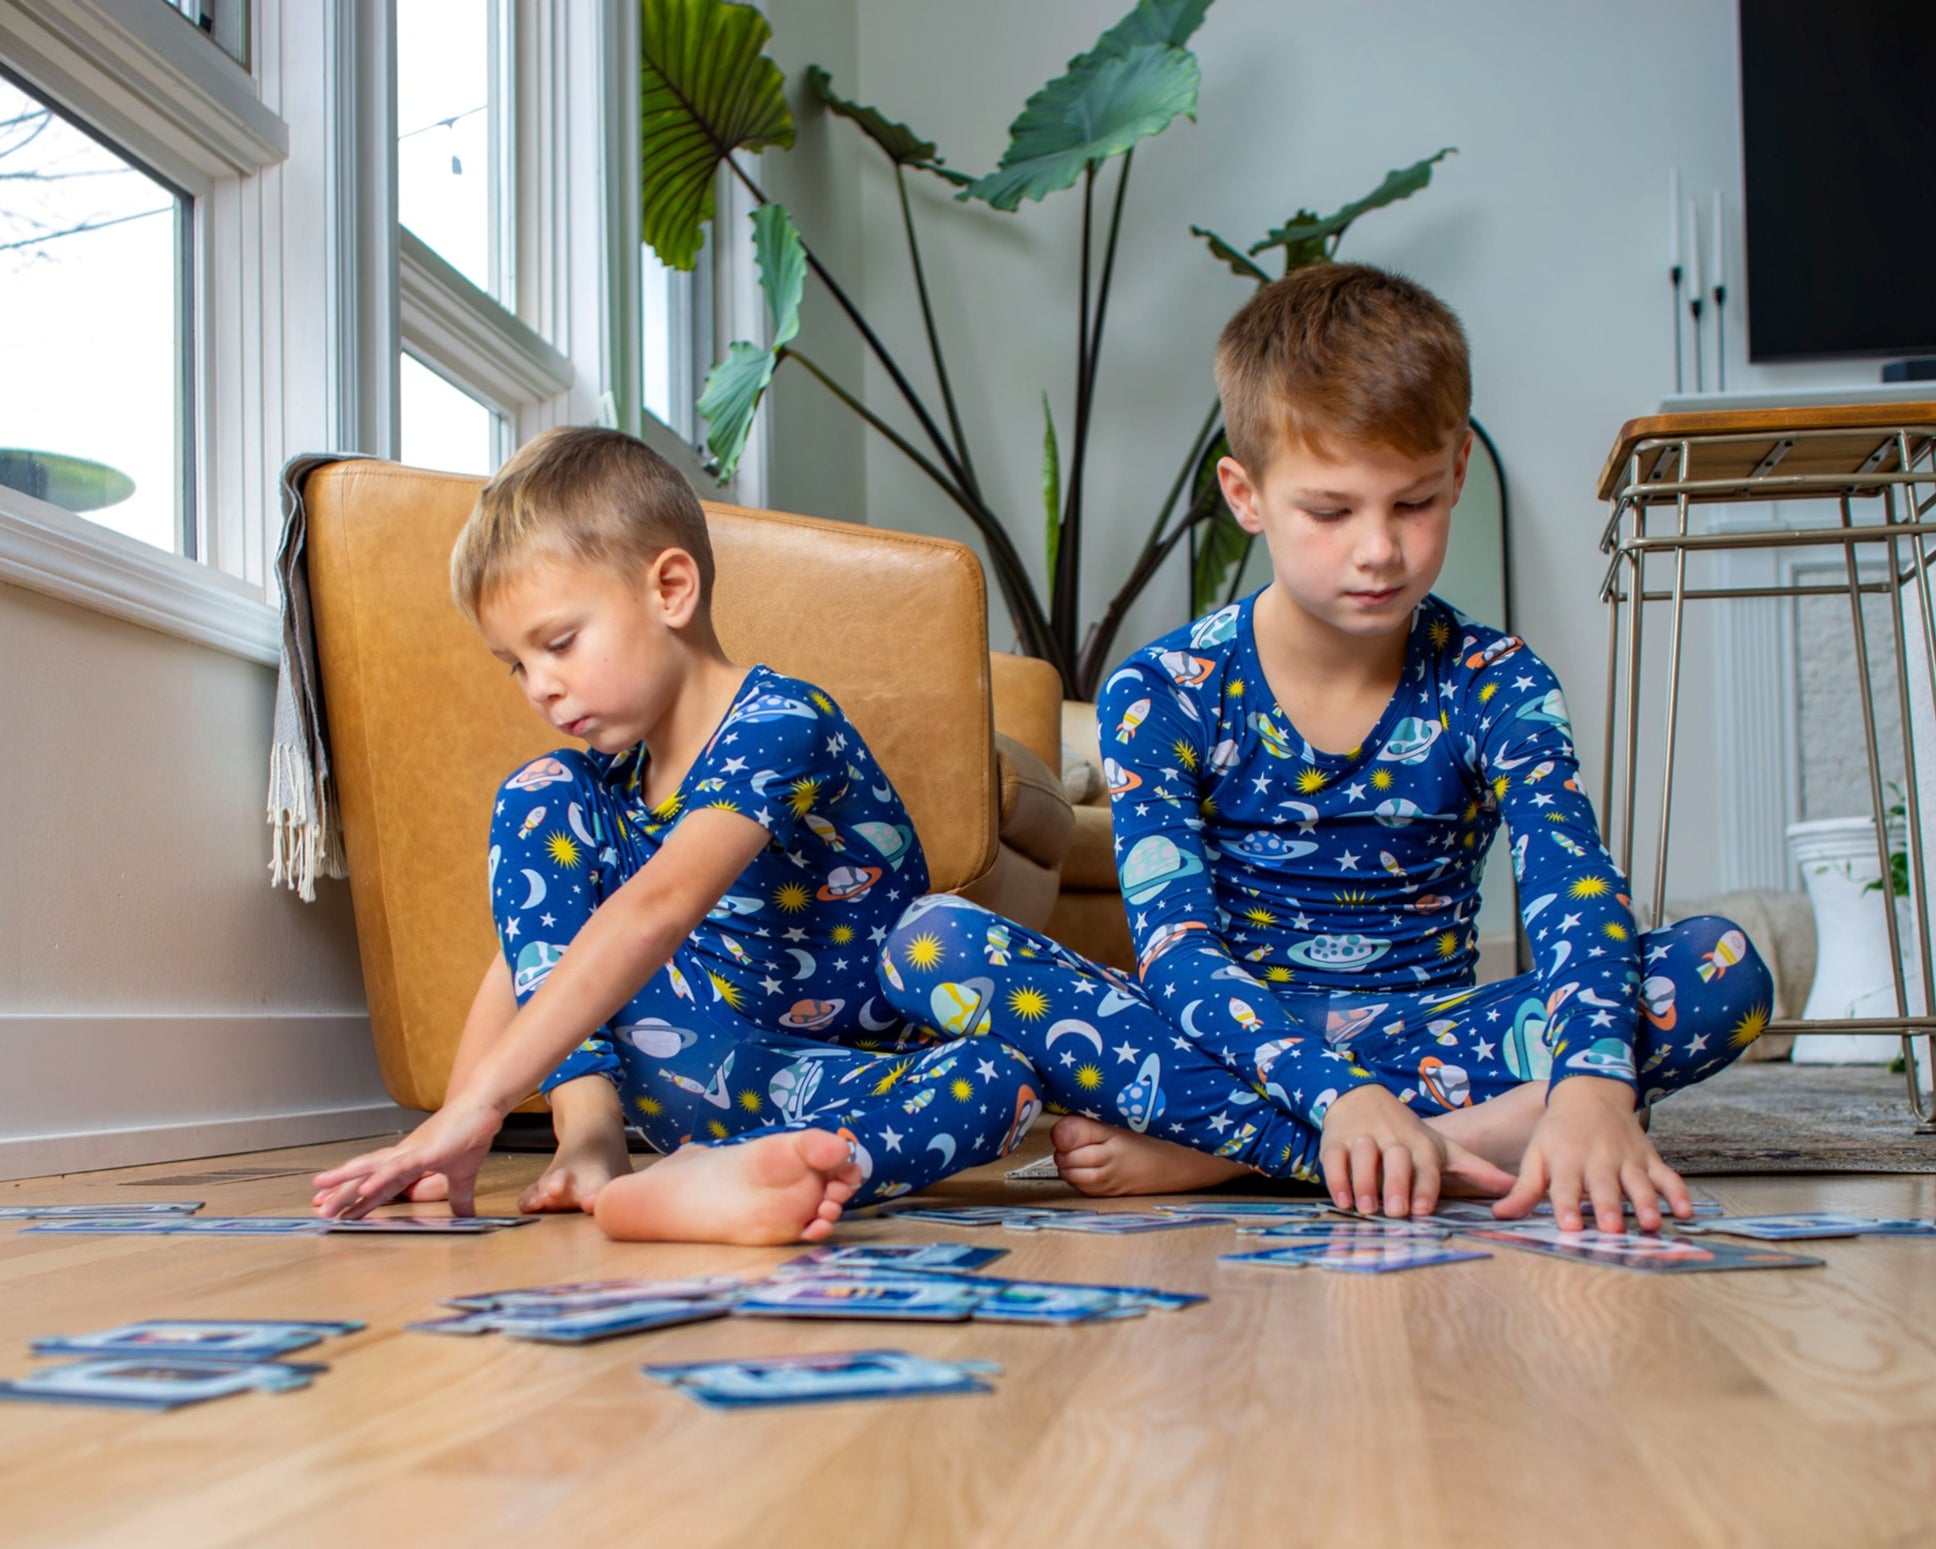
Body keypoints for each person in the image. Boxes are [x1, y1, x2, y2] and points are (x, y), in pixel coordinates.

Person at [880, 263, 1773, 1235]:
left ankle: (1227, 1151)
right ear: (1245, 493)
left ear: (1459, 469)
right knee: (928, 940)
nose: (1378, 549)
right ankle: (1457, 1138)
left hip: (1428, 1030)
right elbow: (1179, 958)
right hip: (1222, 1033)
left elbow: (1571, 889)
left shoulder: (1499, 680)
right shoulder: (1163, 690)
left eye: (1414, 503)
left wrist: (1596, 1088)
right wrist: (1337, 1101)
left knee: (1721, 966)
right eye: (1331, 511)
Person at [312, 427, 1040, 1244]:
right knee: (538, 791)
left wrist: (482, 1103)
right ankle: (591, 1140)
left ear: (670, 589)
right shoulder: (591, 792)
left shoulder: (782, 722)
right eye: (515, 665)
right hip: (677, 1069)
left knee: (1000, 1076)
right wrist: (452, 1125)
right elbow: (529, 958)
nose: (541, 687)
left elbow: (654, 909)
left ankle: (762, 1174)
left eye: (557, 643)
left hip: (839, 1076)